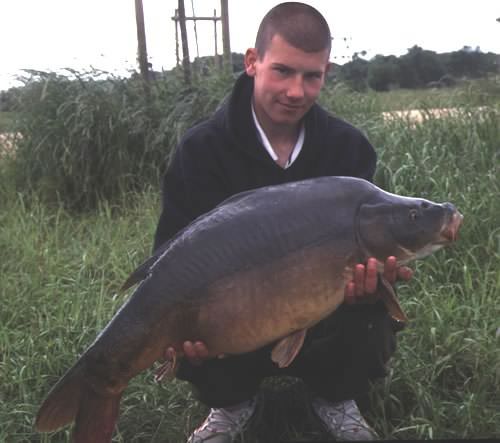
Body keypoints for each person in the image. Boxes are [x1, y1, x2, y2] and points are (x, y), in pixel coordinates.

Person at [153, 3, 411, 442]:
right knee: (187, 323)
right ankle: (230, 402)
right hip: (232, 316)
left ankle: (334, 395)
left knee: (373, 300)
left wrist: (370, 285)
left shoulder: (348, 149)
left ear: (326, 71)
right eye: (283, 71)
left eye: (312, 76)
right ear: (252, 61)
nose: (296, 91)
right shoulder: (200, 151)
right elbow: (167, 259)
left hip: (320, 304)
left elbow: (368, 237)